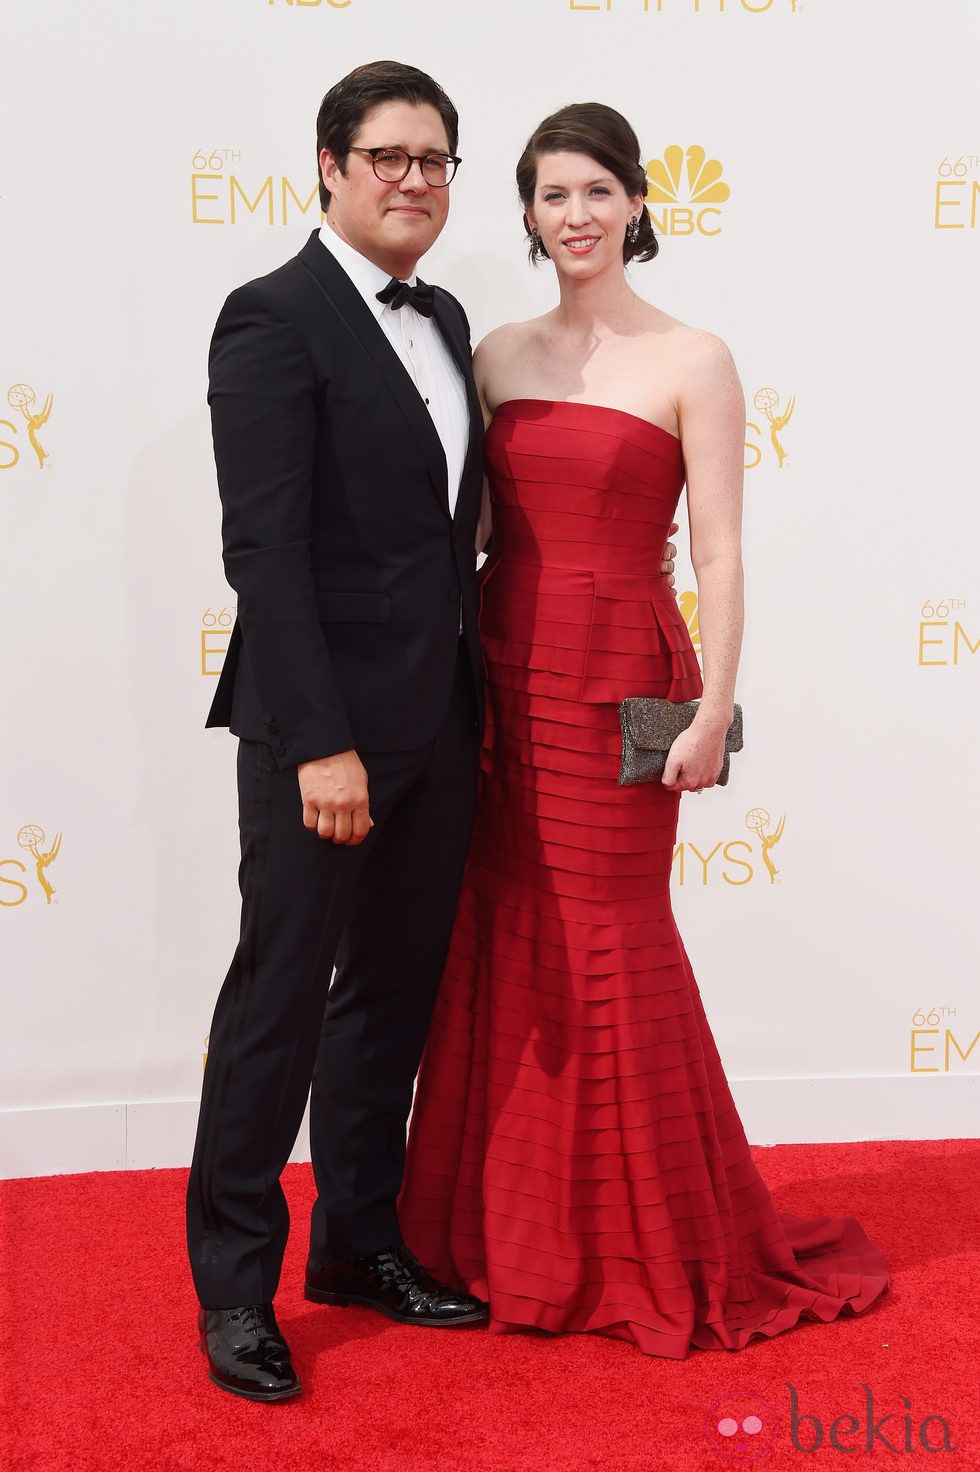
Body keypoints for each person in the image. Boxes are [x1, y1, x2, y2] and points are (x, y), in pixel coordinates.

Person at [399, 103, 890, 1357]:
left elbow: (718, 550)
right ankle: (498, 1239)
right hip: (500, 673)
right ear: (523, 213)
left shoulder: (693, 357)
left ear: (635, 206)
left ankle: (649, 1244)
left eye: (596, 191)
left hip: (627, 675)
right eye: (550, 194)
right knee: (506, 930)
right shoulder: (493, 350)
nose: (574, 214)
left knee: (613, 934)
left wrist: (715, 703)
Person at [187, 60, 493, 1402]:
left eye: (436, 159)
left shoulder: (451, 314)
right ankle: (237, 1291)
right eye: (390, 157)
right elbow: (265, 549)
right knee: (280, 1003)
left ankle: (361, 1245)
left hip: (441, 724)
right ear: (328, 165)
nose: (416, 181)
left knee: (390, 1002)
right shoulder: (271, 318)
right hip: (321, 737)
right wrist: (318, 742)